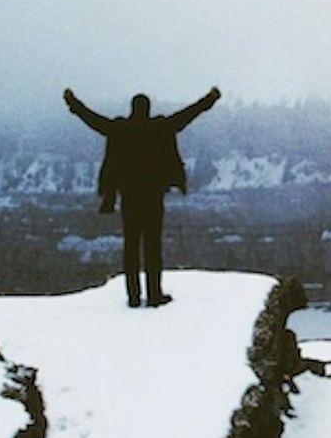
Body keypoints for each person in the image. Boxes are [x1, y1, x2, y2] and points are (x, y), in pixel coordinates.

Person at [64, 87, 221, 308]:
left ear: (132, 109)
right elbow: (189, 114)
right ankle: (154, 294)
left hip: (129, 197)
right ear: (148, 109)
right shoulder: (160, 128)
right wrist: (210, 99)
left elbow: (92, 119)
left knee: (131, 247)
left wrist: (73, 103)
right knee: (152, 247)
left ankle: (134, 296)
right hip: (153, 196)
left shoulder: (120, 130)